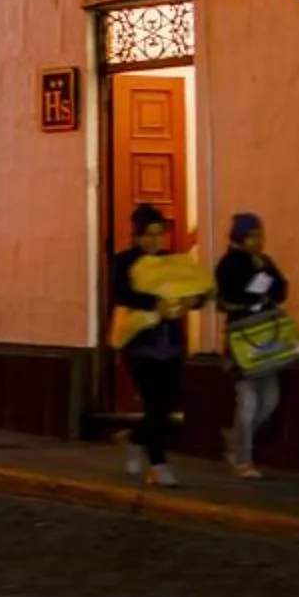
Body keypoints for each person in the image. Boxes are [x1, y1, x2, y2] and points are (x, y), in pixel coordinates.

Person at [111, 204, 204, 488]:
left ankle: (134, 438)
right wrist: (154, 303)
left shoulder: (171, 262)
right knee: (154, 403)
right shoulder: (125, 261)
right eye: (148, 235)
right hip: (139, 343)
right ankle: (158, 465)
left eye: (158, 234)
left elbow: (196, 290)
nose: (154, 240)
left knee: (166, 406)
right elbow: (121, 293)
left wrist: (193, 300)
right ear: (137, 235)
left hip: (171, 343)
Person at [214, 212, 291, 480]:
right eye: (252, 236)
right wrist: (256, 286)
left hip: (267, 338)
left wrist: (265, 272)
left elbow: (281, 291)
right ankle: (243, 459)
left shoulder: (264, 261)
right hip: (242, 339)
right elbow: (231, 296)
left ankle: (235, 438)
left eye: (260, 235)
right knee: (247, 400)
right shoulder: (228, 265)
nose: (258, 241)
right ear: (240, 237)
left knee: (270, 401)